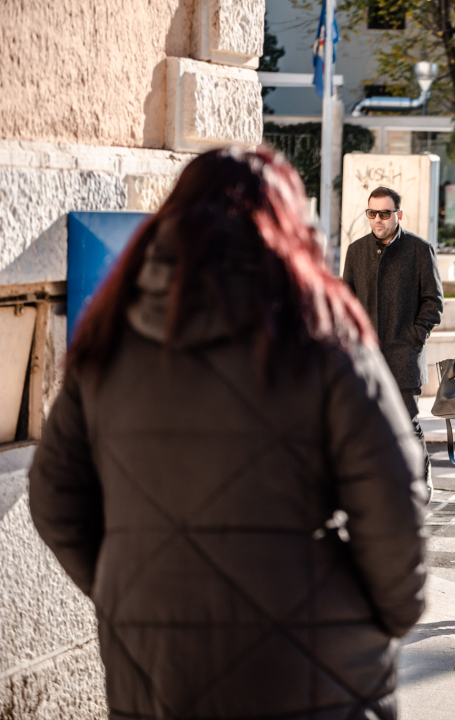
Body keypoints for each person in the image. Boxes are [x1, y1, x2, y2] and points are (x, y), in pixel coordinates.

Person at [28, 147, 427, 720]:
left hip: (156, 660)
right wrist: (384, 615)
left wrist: (131, 592)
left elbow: (53, 497)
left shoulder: (109, 340)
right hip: (316, 665)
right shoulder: (326, 336)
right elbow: (394, 501)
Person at [342, 186, 443, 500]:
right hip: (366, 358)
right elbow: (345, 302)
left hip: (404, 355)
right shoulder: (356, 251)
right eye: (372, 213)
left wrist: (414, 337)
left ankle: (418, 482)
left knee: (407, 424)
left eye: (384, 213)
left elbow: (433, 302)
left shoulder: (419, 249)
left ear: (398, 214)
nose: (377, 219)